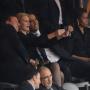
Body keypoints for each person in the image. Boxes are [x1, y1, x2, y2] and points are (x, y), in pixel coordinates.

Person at [0, 16, 35, 84]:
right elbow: (18, 45)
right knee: (34, 73)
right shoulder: (8, 27)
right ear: (7, 22)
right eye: (16, 22)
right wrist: (28, 60)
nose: (18, 24)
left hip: (5, 71)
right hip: (11, 70)